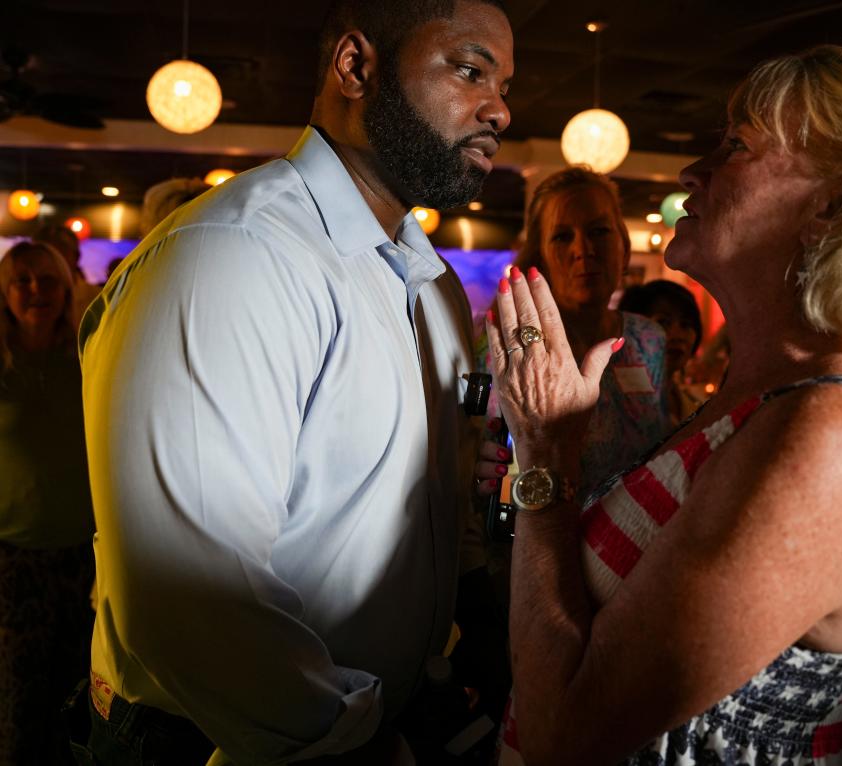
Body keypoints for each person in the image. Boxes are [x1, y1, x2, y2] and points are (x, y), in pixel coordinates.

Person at [484, 45, 842, 765]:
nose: (690, 172)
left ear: (838, 204)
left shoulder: (840, 433)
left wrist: (546, 453)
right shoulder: (766, 393)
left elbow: (564, 738)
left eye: (736, 145)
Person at [75, 1, 513, 764]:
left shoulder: (433, 286)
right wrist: (359, 740)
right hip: (231, 740)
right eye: (470, 70)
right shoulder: (236, 254)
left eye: (505, 83)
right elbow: (193, 605)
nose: (500, 108)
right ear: (355, 67)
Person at [477, 168, 669, 504]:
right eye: (562, 236)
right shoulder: (507, 345)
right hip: (534, 539)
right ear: (541, 256)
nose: (584, 249)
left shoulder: (649, 339)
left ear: (623, 248)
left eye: (599, 231)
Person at [0, 241, 95, 764]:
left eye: (48, 279)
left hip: (84, 555)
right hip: (14, 557)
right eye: (23, 280)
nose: (37, 290)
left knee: (77, 692)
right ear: (5, 293)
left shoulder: (86, 353)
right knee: (19, 697)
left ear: (66, 288)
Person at [619, 279, 704, 425]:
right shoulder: (615, 399)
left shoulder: (694, 406)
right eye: (663, 322)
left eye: (686, 324)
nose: (677, 336)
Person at [34, 223, 101, 329]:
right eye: (44, 256)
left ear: (76, 256)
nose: (53, 262)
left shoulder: (97, 298)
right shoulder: (28, 296)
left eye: (60, 254)